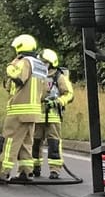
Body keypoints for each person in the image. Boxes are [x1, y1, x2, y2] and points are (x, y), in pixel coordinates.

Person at [0, 34, 50, 185]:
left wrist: (10, 68)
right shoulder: (40, 65)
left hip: (18, 110)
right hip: (34, 112)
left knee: (9, 142)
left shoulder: (24, 62)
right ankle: (26, 172)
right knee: (26, 143)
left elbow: (19, 78)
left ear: (20, 47)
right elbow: (45, 91)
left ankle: (0, 173)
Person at [30, 47, 74, 179]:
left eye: (44, 62)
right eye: (41, 62)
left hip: (53, 116)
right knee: (35, 143)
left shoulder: (58, 77)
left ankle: (55, 170)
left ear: (51, 63)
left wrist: (58, 101)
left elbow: (69, 94)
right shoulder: (36, 76)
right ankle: (35, 167)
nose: (42, 64)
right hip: (37, 115)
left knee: (53, 144)